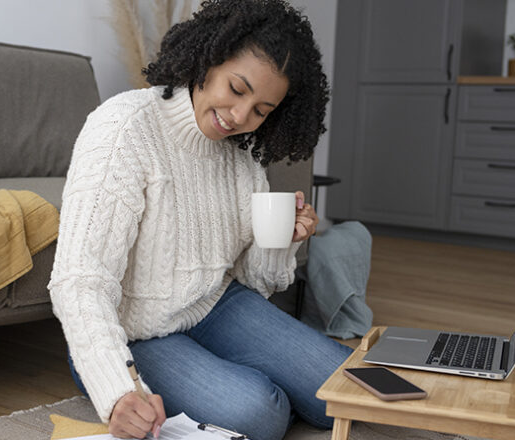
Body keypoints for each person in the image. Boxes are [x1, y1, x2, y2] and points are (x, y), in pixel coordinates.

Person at [47, 1, 352, 439]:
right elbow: (80, 280)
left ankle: (234, 377)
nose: (240, 117)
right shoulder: (123, 129)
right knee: (261, 414)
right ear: (208, 58)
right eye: (237, 88)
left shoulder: (242, 157)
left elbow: (254, 280)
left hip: (216, 305)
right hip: (136, 333)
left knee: (342, 390)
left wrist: (282, 240)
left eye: (262, 110)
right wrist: (117, 391)